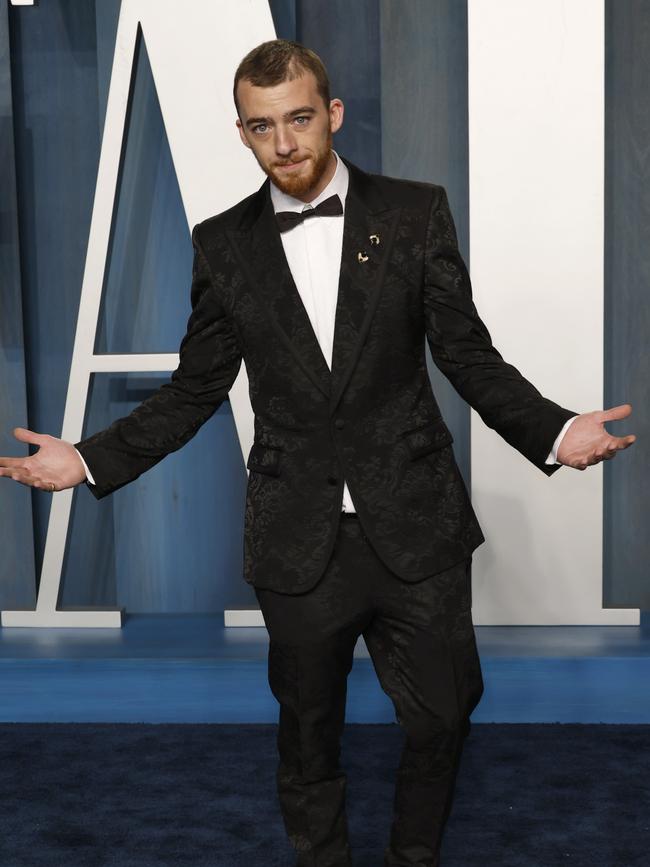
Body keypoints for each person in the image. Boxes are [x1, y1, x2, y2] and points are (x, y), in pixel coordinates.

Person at [0, 39, 635, 867]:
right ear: (243, 133)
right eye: (263, 128)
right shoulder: (222, 243)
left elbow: (466, 354)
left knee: (443, 715)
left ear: (330, 114)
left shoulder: (414, 213)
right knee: (306, 734)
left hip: (414, 520)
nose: (285, 143)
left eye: (299, 119)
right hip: (297, 534)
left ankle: (414, 856)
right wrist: (87, 460)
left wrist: (552, 430)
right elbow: (197, 387)